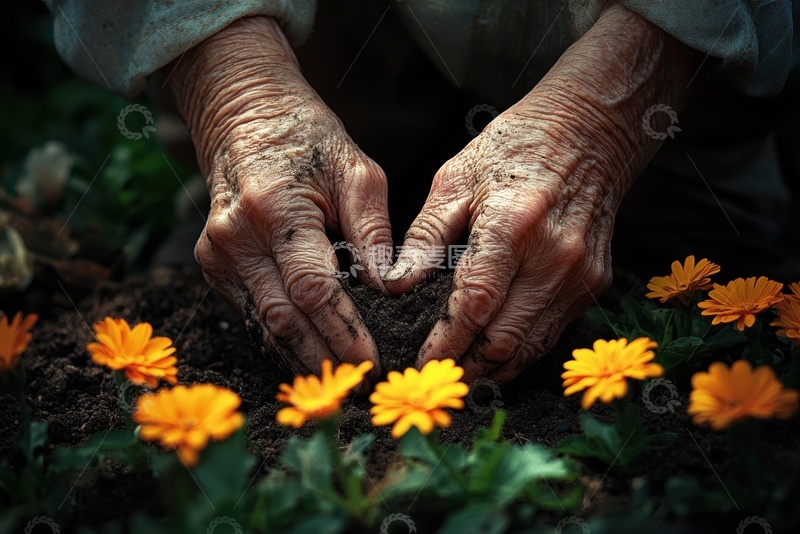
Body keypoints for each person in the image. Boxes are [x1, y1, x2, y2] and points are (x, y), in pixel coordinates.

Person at [46, 1, 800, 386]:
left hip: (661, 103)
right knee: (262, 216)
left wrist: (602, 122)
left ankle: (648, 200)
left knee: (698, 290)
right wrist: (240, 98)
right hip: (328, 43)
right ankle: (255, 192)